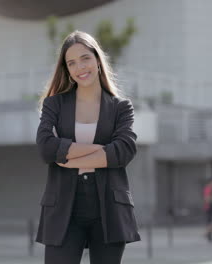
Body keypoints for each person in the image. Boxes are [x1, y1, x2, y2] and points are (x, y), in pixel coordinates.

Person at [35, 30, 140, 264]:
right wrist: (102, 150)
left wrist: (69, 157)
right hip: (63, 207)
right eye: (71, 63)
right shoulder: (54, 104)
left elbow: (124, 150)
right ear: (67, 70)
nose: (80, 67)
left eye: (85, 58)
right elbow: (45, 148)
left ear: (97, 60)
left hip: (109, 209)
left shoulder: (121, 107)